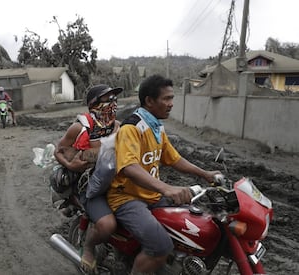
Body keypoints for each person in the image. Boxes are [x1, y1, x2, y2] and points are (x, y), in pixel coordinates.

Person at [106, 74, 222, 274]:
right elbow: (129, 167)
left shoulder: (156, 127)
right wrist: (167, 188)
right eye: (166, 99)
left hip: (151, 196)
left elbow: (174, 159)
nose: (171, 104)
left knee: (189, 225)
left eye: (172, 98)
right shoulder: (132, 128)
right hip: (127, 198)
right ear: (150, 101)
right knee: (160, 247)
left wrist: (205, 174)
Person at [54, 84, 123, 274]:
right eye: (107, 99)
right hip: (89, 183)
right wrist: (70, 165)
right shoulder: (80, 127)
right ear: (94, 104)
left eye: (114, 99)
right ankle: (88, 249)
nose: (113, 103)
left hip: (115, 179)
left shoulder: (116, 126)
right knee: (107, 223)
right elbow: (59, 151)